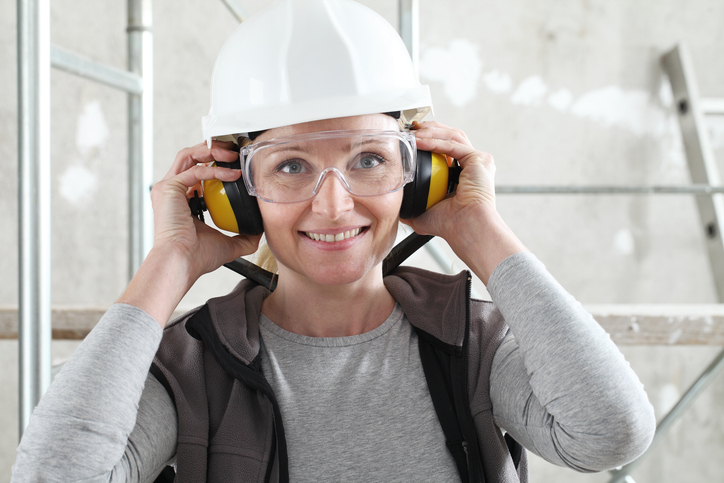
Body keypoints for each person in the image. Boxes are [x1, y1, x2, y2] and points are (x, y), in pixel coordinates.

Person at [12, 1, 656, 482]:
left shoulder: (473, 344)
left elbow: (610, 433)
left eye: (369, 160)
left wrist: (478, 229)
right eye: (290, 165)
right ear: (237, 190)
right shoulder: (193, 365)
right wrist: (171, 260)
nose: (333, 202)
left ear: (421, 175)